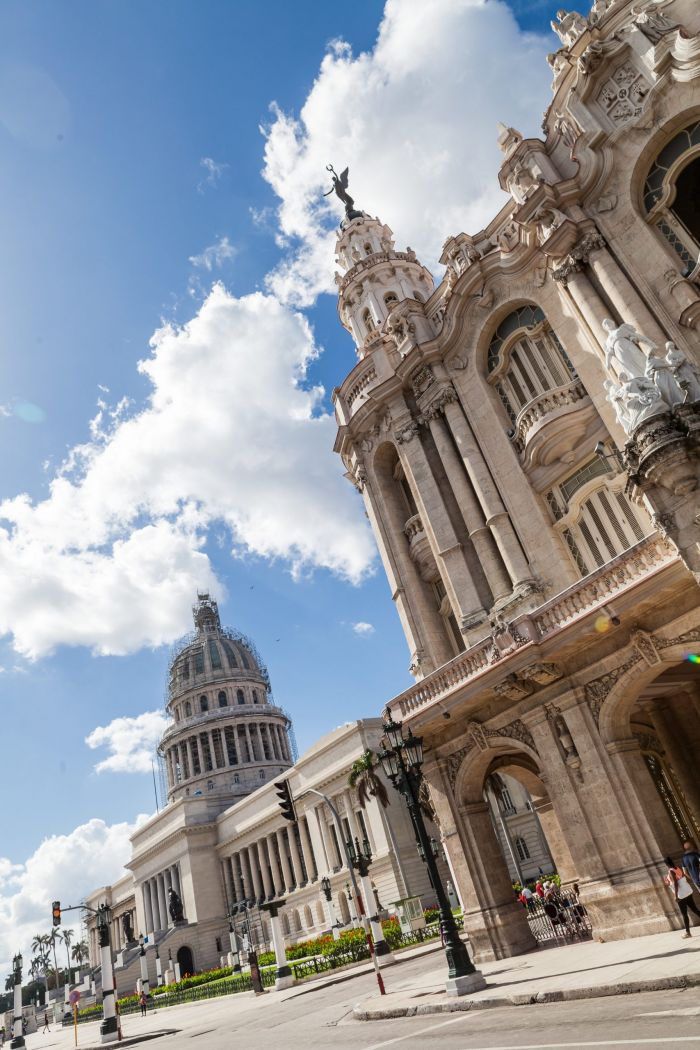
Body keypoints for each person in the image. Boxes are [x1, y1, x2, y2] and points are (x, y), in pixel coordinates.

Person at [664, 856, 700, 938]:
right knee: (695, 909)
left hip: (681, 895)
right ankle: (687, 932)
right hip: (687, 892)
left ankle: (688, 933)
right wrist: (668, 881)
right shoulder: (677, 868)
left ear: (666, 864)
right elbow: (681, 878)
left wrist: (676, 896)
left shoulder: (671, 871)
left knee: (684, 914)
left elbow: (676, 883)